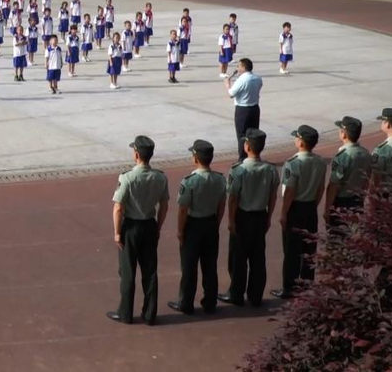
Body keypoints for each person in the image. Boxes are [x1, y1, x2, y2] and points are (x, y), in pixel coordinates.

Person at [108, 135, 169, 326]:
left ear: (136, 154)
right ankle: (150, 313)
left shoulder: (127, 177)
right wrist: (158, 226)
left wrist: (117, 232)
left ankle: (125, 312)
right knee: (150, 271)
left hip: (131, 226)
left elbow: (118, 207)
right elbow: (164, 204)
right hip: (149, 224)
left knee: (128, 271)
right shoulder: (160, 177)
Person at [219, 128, 278, 307]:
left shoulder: (239, 170)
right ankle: (255, 294)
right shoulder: (270, 169)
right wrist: (269, 218)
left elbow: (233, 199)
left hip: (243, 217)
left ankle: (236, 294)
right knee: (258, 257)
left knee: (238, 258)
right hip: (261, 215)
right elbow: (272, 195)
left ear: (247, 146)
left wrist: (230, 220)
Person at [169, 139, 225, 315]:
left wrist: (180, 230)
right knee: (210, 266)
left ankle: (186, 303)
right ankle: (210, 301)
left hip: (193, 225)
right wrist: (216, 223)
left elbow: (183, 209)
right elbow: (222, 205)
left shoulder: (189, 181)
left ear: (195, 158)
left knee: (189, 267)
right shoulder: (219, 179)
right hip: (211, 223)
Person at [272, 125, 326, 299]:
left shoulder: (293, 163)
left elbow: (290, 191)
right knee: (309, 249)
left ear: (301, 142)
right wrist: (313, 204)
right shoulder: (320, 161)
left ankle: (290, 287)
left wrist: (283, 213)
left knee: (292, 251)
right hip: (310, 207)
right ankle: (307, 284)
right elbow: (320, 187)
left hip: (295, 208)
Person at [323, 116, 370, 232]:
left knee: (337, 239)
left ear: (344, 134)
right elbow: (367, 180)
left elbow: (333, 185)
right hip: (357, 201)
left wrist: (327, 209)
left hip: (341, 203)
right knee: (354, 236)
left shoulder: (341, 157)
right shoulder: (366, 154)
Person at [226, 58, 263, 161]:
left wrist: (227, 84)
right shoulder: (257, 78)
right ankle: (255, 155)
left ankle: (242, 158)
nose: (237, 69)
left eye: (239, 66)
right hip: (255, 108)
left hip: (243, 110)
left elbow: (231, 94)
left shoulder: (242, 79)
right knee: (254, 134)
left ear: (243, 67)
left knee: (242, 135)